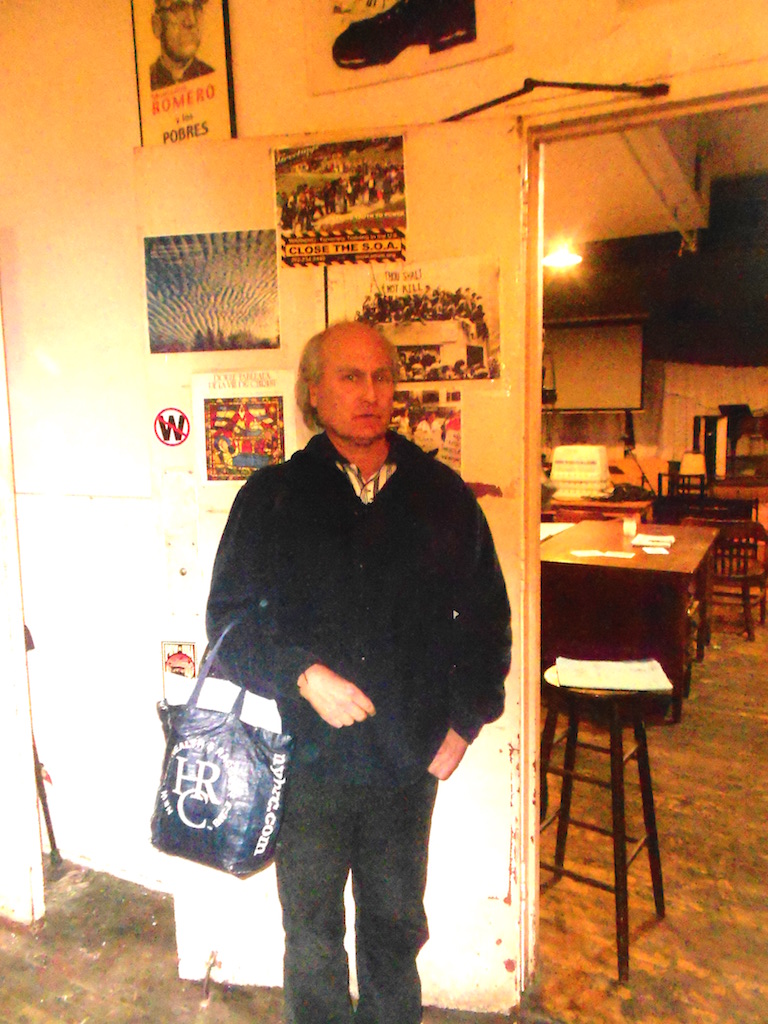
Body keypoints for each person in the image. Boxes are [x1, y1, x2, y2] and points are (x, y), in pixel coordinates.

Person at [205, 321, 511, 1024]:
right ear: (314, 392)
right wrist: (303, 674)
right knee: (311, 938)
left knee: (395, 932)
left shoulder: (442, 496)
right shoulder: (273, 498)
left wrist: (465, 724)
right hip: (308, 765)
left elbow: (488, 622)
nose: (370, 393)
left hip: (408, 765)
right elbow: (227, 625)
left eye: (380, 377)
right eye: (350, 376)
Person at [150, 0, 214, 91]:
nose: (191, 22)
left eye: (197, 8)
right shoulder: (146, 82)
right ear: (157, 25)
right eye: (179, 8)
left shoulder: (211, 76)